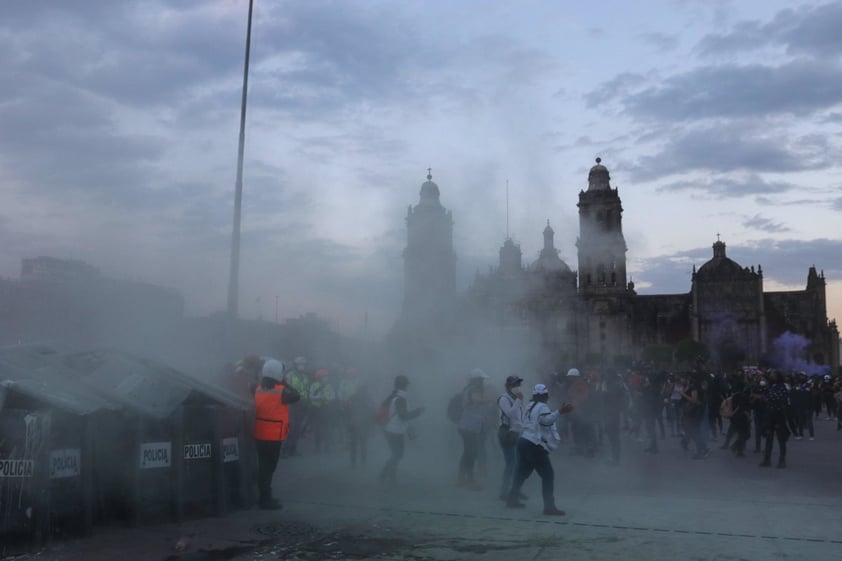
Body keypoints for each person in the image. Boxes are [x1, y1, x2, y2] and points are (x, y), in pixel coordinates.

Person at [506, 384, 574, 516]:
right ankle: (549, 507)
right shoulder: (542, 406)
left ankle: (512, 499)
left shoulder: (529, 405)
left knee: (521, 473)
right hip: (533, 445)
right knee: (548, 475)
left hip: (523, 441)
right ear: (545, 396)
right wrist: (559, 412)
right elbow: (545, 421)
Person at [252, 359, 300, 510]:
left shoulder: (257, 388)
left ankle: (264, 497)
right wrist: (284, 382)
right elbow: (297, 396)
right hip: (274, 435)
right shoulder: (281, 391)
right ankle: (265, 500)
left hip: (260, 433)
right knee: (269, 468)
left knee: (263, 467)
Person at [379, 375, 424, 483]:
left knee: (396, 454)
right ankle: (386, 474)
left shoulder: (394, 396)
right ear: (403, 386)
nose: (407, 387)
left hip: (391, 430)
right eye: (406, 385)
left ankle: (389, 475)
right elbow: (403, 416)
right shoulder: (400, 399)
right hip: (394, 431)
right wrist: (418, 411)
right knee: (398, 454)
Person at [456, 368, 491, 490]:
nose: (482, 382)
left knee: (468, 453)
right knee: (471, 453)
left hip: (469, 426)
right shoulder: (473, 389)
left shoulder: (469, 389)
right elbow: (477, 400)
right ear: (475, 380)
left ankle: (462, 479)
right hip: (468, 427)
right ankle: (469, 480)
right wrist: (491, 400)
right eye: (481, 379)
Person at [497, 374, 525, 500]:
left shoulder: (515, 398)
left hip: (517, 433)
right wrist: (519, 400)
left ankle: (515, 490)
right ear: (508, 386)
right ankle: (504, 492)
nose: (517, 387)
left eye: (518, 384)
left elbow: (520, 416)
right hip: (507, 433)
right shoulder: (504, 398)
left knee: (518, 464)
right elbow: (511, 414)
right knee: (511, 464)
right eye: (514, 384)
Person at [282, 356, 311, 458]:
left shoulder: (305, 377)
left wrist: (307, 401)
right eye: (300, 364)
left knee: (298, 429)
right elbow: (286, 389)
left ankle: (293, 450)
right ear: (295, 365)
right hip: (292, 404)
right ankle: (285, 450)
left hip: (302, 404)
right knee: (290, 427)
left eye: (303, 364)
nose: (302, 366)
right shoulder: (290, 375)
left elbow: (306, 390)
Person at [760, 372, 790, 469]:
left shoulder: (782, 387)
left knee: (781, 439)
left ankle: (782, 461)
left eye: (774, 376)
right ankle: (767, 460)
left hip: (779, 415)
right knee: (769, 437)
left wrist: (765, 397)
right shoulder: (771, 386)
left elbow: (776, 398)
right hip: (770, 415)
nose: (771, 377)